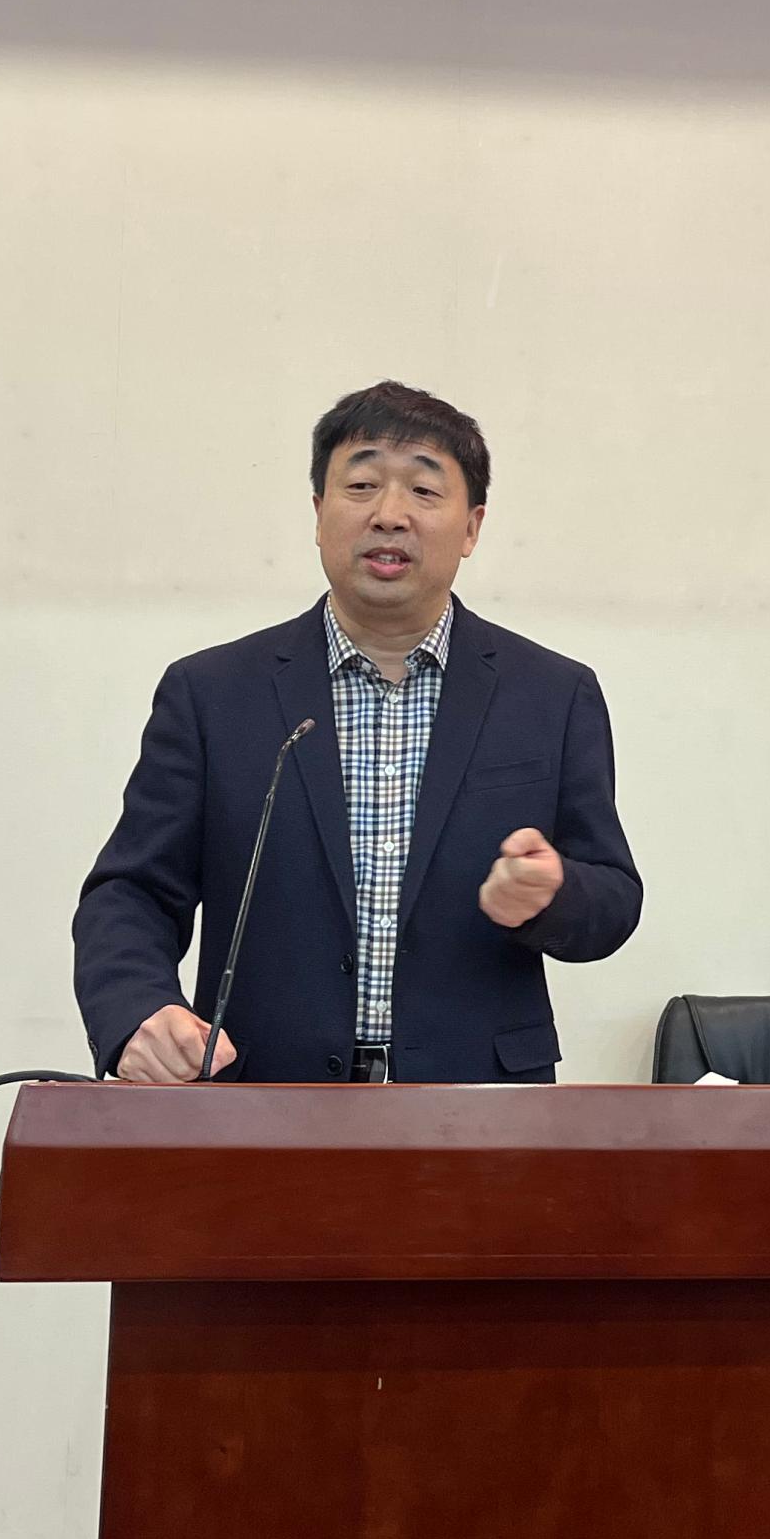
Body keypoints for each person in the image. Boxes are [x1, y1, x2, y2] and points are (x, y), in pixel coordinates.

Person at [74, 382, 640, 1083]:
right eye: (362, 485)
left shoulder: (551, 695)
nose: (389, 515)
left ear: (472, 527)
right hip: (263, 1098)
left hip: (480, 1105)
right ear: (319, 513)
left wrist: (553, 894)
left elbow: (613, 899)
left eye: (424, 492)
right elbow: (131, 892)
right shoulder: (213, 694)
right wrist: (137, 1011)